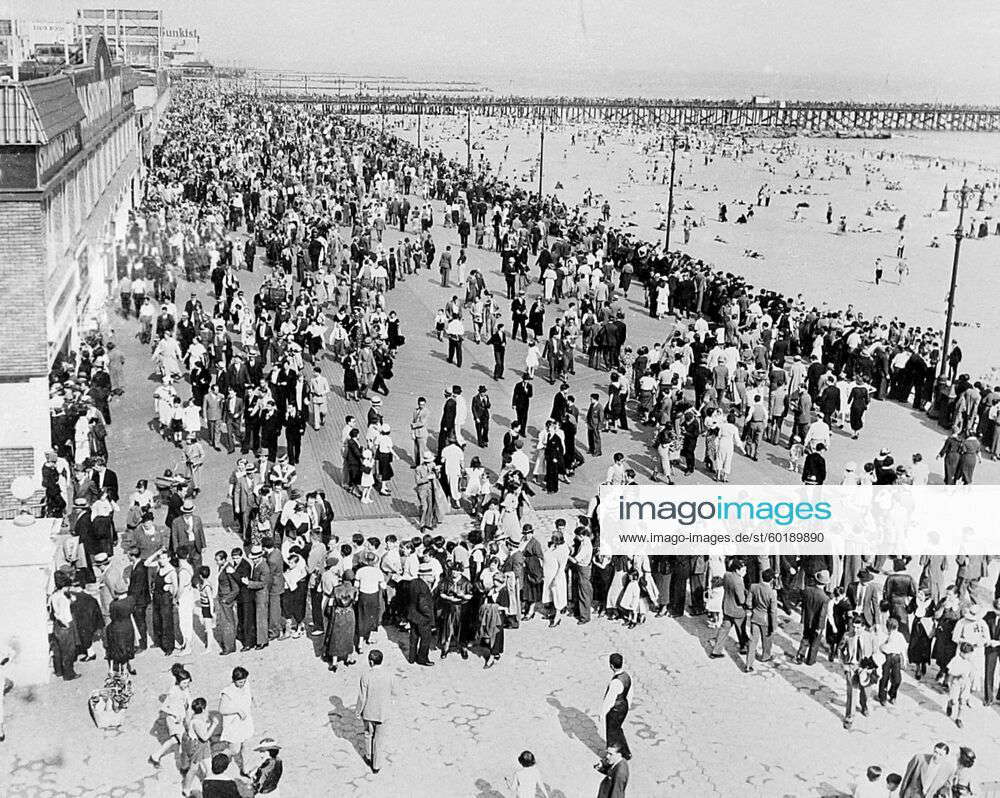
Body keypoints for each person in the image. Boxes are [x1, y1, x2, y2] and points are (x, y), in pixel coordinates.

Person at [355, 649, 394, 773]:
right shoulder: (389, 674)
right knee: (379, 739)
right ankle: (376, 765)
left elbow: (362, 697)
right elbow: (394, 692)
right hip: (383, 712)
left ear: (371, 662)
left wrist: (358, 711)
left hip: (369, 712)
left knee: (368, 734)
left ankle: (368, 756)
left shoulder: (366, 675)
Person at [149, 665, 191, 768]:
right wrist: (176, 715)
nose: (186, 684)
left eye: (188, 682)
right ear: (178, 681)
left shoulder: (185, 689)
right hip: (173, 720)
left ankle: (155, 756)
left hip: (180, 719)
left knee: (174, 740)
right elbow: (165, 708)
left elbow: (188, 699)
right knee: (183, 741)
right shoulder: (173, 692)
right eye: (184, 683)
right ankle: (184, 766)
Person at [219, 666, 254, 776]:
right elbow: (222, 709)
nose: (242, 684)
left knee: (246, 746)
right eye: (240, 682)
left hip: (245, 722)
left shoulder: (246, 684)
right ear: (234, 680)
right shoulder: (228, 692)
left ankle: (245, 769)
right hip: (233, 724)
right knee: (234, 750)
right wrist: (237, 710)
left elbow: (248, 695)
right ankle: (218, 762)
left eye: (244, 681)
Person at [601, 653, 632, 760]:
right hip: (624, 705)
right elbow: (630, 692)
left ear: (611, 665)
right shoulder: (627, 676)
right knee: (618, 729)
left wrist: (603, 714)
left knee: (611, 732)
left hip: (615, 710)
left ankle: (612, 756)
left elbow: (609, 700)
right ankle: (625, 752)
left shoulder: (615, 682)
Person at [408, 563, 436, 666]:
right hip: (422, 618)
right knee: (425, 639)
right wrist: (429, 615)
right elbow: (423, 604)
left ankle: (411, 657)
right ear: (424, 576)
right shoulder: (424, 587)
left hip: (412, 615)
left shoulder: (413, 583)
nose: (432, 577)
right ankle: (422, 659)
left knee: (413, 637)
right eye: (431, 575)